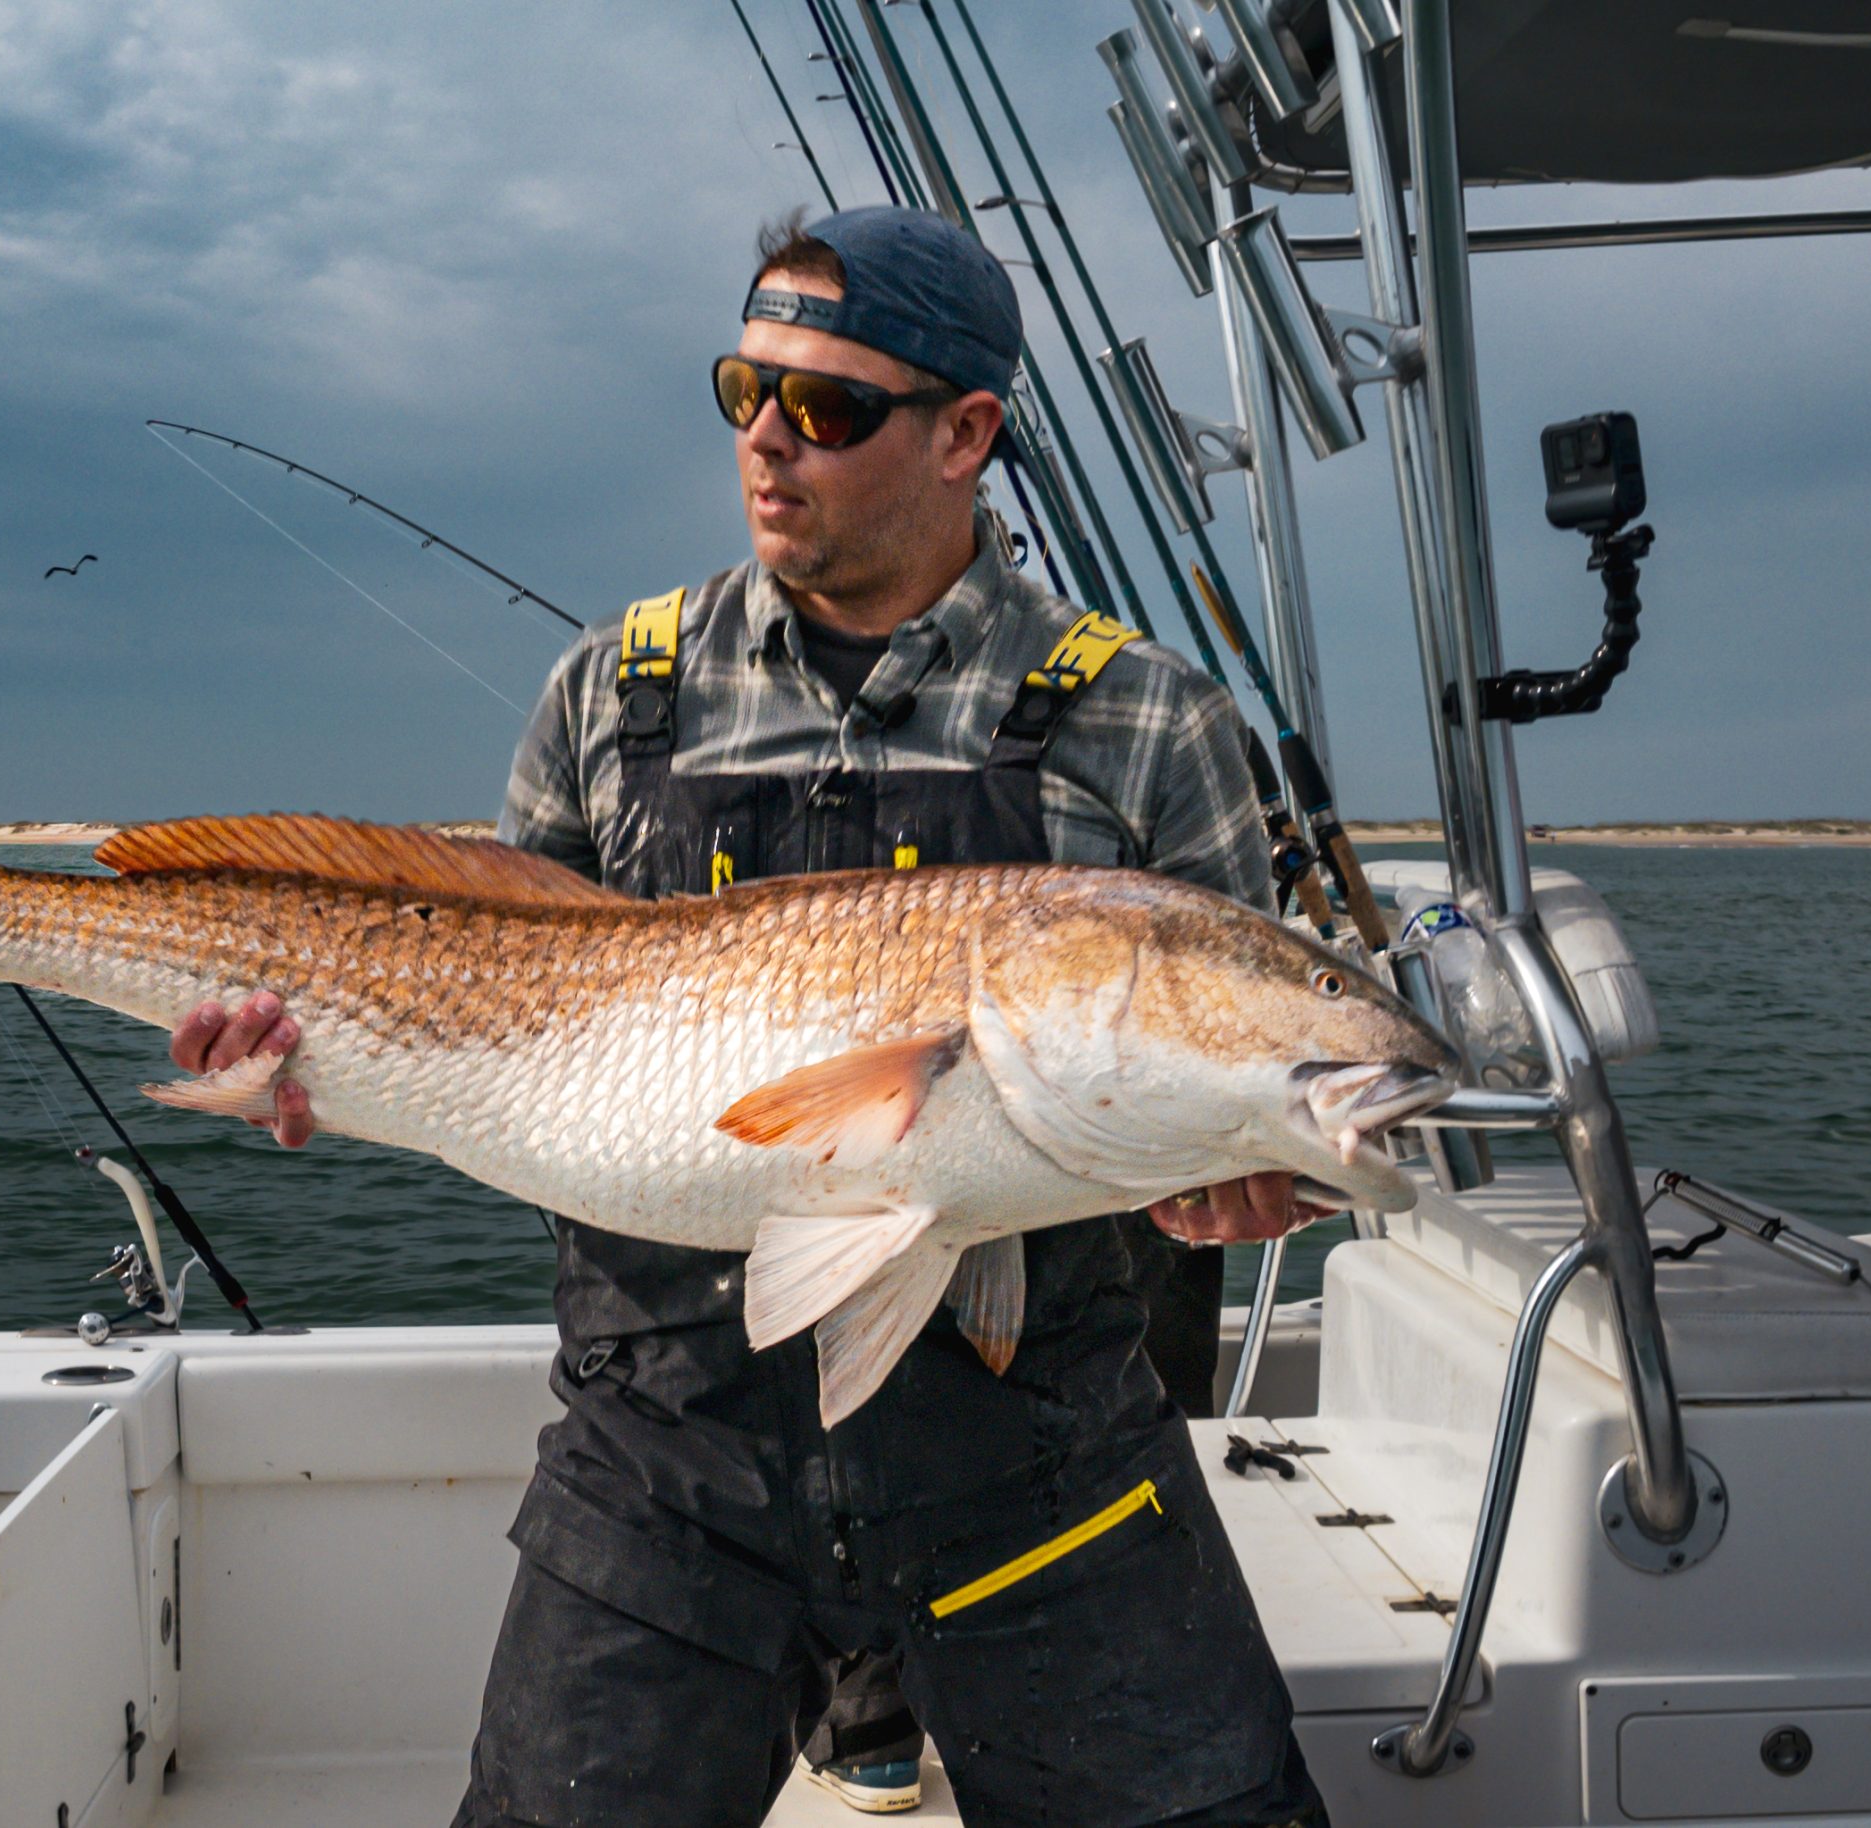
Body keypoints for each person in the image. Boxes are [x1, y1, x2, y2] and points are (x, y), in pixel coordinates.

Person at [170, 205, 1327, 1827]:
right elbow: (496, 1008)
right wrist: (310, 1065)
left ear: (967, 435)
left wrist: (1243, 1184)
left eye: (830, 409)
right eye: (746, 392)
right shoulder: (610, 689)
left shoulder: (1151, 722)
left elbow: (1249, 1086)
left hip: (1046, 1473)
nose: (769, 445)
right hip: (664, 1474)